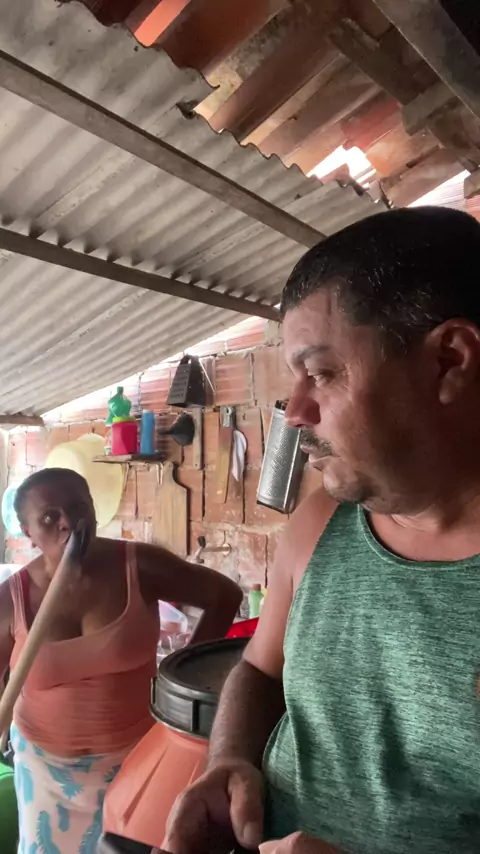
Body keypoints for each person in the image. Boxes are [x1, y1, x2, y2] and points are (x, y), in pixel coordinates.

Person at [164, 206, 480, 854]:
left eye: (322, 373)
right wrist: (229, 761)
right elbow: (259, 671)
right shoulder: (320, 526)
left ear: (449, 361)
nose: (296, 410)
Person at [0, 466, 242, 854]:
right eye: (49, 517)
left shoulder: (138, 566)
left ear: (93, 510)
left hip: (137, 758)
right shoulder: (10, 599)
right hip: (44, 770)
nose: (67, 523)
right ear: (27, 532)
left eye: (77, 507)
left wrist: (179, 678)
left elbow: (224, 595)